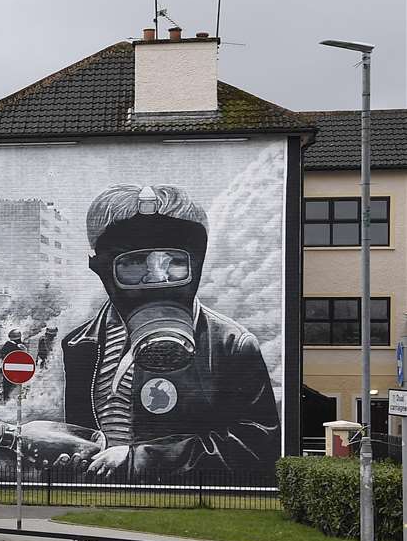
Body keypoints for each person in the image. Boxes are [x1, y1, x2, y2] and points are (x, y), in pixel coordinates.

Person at [40, 184, 278, 482]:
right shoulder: (80, 345)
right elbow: (85, 437)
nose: (157, 276)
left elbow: (257, 446)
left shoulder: (231, 345)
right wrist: (71, 454)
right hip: (98, 500)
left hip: (180, 502)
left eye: (174, 261)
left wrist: (141, 460)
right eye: (136, 261)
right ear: (100, 267)